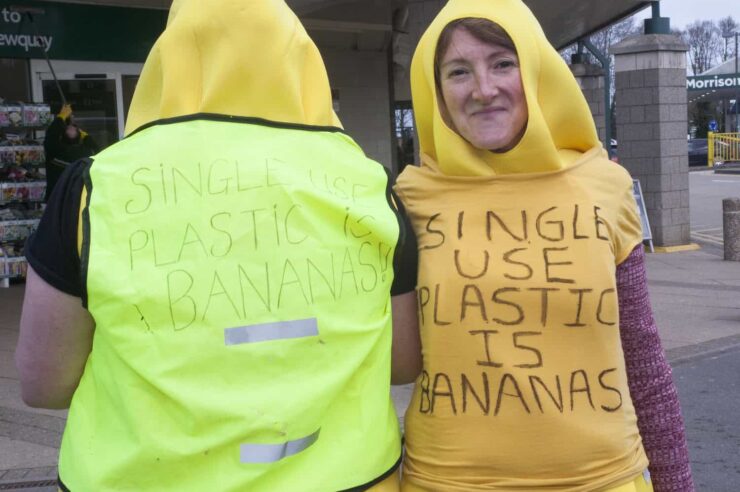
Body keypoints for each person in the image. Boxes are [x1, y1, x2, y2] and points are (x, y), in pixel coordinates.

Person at [15, 0, 419, 490]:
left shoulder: (95, 187)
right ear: (302, 63)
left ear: (170, 61)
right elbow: (402, 364)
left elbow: (45, 384)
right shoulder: (367, 183)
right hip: (351, 478)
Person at [391, 0, 694, 490]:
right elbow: (392, 363)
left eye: (502, 63)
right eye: (458, 71)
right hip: (449, 481)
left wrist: (676, 480)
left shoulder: (605, 186)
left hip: (600, 480)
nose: (483, 89)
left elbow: (642, 355)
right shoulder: (407, 200)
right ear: (437, 93)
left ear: (534, 70)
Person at [43, 103, 98, 201]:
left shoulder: (84, 152)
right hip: (60, 200)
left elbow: (98, 152)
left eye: (74, 128)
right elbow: (51, 138)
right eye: (69, 128)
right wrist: (86, 137)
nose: (72, 127)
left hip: (72, 200)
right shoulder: (58, 150)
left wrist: (61, 118)